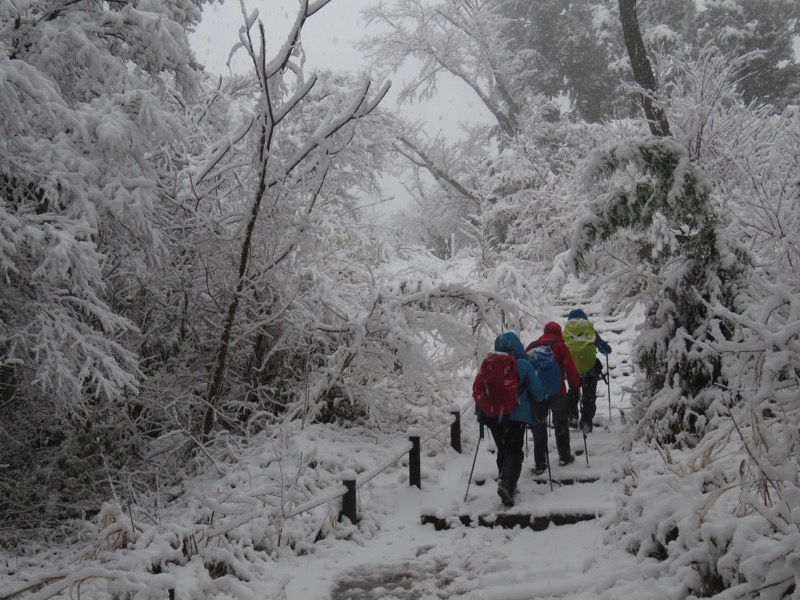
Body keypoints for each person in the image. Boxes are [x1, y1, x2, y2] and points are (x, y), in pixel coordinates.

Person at [476, 331, 546, 507]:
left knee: (503, 449)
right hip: (516, 416)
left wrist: (481, 414)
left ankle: (506, 482)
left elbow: (480, 389)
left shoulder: (489, 363)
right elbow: (537, 393)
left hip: (493, 416)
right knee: (515, 451)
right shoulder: (522, 365)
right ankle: (507, 484)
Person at [526, 322, 582, 469]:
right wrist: (575, 384)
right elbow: (570, 367)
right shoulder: (560, 345)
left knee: (539, 424)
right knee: (561, 422)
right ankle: (564, 456)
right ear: (559, 333)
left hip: (537, 392)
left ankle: (540, 462)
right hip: (557, 391)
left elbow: (524, 366)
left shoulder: (532, 346)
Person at [563, 309, 612, 434]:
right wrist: (607, 348)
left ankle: (572, 416)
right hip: (589, 369)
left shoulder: (567, 332)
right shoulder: (590, 330)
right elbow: (603, 348)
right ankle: (586, 421)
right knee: (588, 395)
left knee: (573, 391)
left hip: (572, 370)